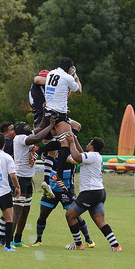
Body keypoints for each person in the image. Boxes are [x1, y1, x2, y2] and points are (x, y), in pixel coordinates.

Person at [11, 116, 56, 247]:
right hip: (19, 178)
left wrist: (43, 113)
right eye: (24, 125)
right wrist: (51, 125)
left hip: (28, 179)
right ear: (19, 130)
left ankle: (18, 240)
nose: (27, 126)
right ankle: (9, 241)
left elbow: (40, 128)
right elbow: (37, 138)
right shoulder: (19, 138)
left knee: (25, 210)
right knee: (17, 210)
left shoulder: (27, 135)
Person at [32, 154, 95, 248]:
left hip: (67, 190)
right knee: (43, 215)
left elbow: (79, 159)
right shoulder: (52, 155)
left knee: (75, 216)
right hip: (51, 190)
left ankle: (88, 239)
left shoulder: (72, 157)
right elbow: (45, 156)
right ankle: (38, 240)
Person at [44, 58, 82, 189]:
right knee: (66, 142)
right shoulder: (68, 77)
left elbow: (63, 92)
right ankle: (58, 175)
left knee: (62, 141)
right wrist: (76, 78)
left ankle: (40, 151)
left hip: (48, 113)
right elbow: (79, 91)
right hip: (59, 113)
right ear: (70, 68)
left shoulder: (51, 73)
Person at [0, 121, 16, 246]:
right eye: (12, 129)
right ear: (6, 133)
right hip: (6, 181)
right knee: (8, 211)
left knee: (6, 211)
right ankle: (2, 239)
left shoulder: (6, 144)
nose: (14, 131)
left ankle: (2, 238)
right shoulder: (9, 144)